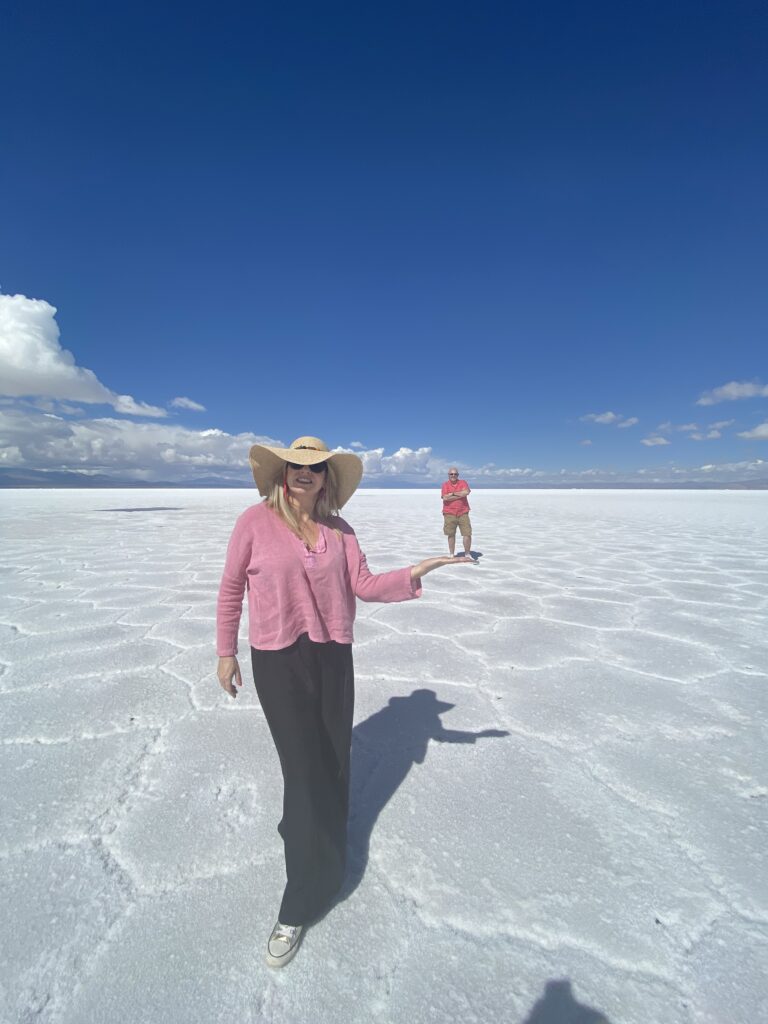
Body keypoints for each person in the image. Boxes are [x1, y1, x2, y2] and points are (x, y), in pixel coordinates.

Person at [216, 436, 474, 968]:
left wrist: (414, 575)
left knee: (333, 762)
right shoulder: (254, 522)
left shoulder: (341, 532)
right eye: (295, 465)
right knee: (304, 770)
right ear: (283, 473)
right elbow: (230, 589)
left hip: (333, 657)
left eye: (314, 468)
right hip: (278, 660)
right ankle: (300, 901)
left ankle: (322, 849)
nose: (303, 473)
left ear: (326, 480)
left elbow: (364, 585)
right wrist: (226, 652)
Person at [441, 466, 473, 558]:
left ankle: (467, 554)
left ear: (458, 475)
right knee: (451, 534)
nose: (453, 475)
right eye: (451, 474)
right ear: (448, 475)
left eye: (455, 474)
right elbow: (445, 498)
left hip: (463, 512)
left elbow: (466, 492)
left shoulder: (463, 482)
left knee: (467, 533)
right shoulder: (445, 485)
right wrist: (460, 494)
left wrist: (453, 494)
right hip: (449, 512)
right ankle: (451, 554)